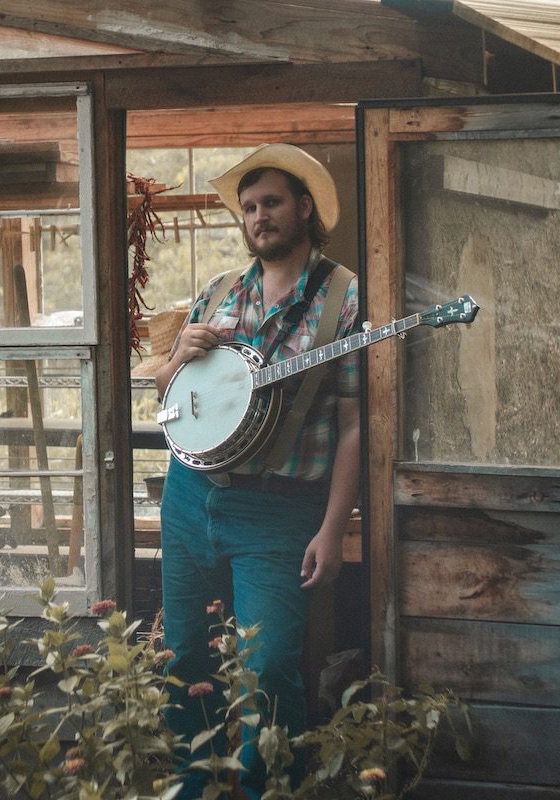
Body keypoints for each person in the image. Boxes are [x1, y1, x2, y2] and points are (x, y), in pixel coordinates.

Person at [154, 143, 361, 798]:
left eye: (271, 202)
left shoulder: (344, 300)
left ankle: (264, 791)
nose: (259, 216)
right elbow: (167, 397)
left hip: (278, 511)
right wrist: (175, 358)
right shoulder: (218, 293)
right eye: (248, 207)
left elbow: (356, 425)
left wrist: (334, 527)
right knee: (186, 661)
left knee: (269, 669)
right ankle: (193, 789)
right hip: (189, 496)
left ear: (304, 208)